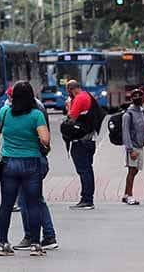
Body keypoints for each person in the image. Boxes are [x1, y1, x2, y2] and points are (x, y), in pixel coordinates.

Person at [0, 81, 50, 258]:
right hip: (31, 163)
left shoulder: (4, 112)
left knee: (6, 205)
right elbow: (45, 139)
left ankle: (2, 243)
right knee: (33, 204)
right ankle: (35, 244)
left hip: (9, 163)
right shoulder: (36, 115)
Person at [13, 92, 58, 251]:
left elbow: (44, 139)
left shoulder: (30, 113)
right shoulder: (37, 108)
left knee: (26, 200)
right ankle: (47, 235)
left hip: (28, 160)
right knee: (35, 198)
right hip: (37, 159)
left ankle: (34, 236)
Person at [122, 89, 144, 206]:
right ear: (131, 99)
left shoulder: (142, 112)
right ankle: (129, 195)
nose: (138, 98)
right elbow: (125, 133)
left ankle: (126, 194)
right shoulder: (128, 114)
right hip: (133, 147)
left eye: (140, 96)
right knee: (132, 171)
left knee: (135, 170)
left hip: (140, 146)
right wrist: (130, 150)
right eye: (135, 96)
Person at [66, 80, 96, 210]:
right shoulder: (88, 96)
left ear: (71, 90)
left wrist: (69, 106)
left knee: (84, 171)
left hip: (81, 141)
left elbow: (71, 118)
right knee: (88, 169)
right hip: (90, 139)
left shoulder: (79, 99)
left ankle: (87, 199)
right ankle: (87, 198)